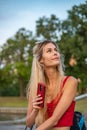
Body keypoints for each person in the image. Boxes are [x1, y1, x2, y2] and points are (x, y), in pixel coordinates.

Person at [26, 40, 78, 130]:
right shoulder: (35, 88)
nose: (55, 53)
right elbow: (29, 124)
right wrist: (35, 110)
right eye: (49, 51)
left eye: (55, 50)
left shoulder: (70, 82)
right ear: (41, 60)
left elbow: (54, 120)